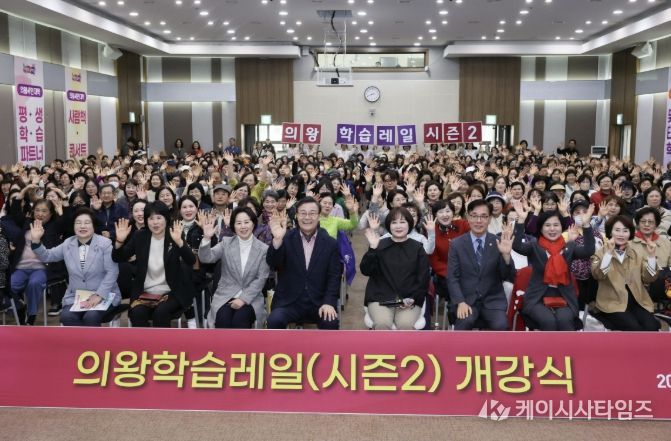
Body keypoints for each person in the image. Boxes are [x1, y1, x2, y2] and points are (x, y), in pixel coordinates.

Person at [512, 201, 595, 330]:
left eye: (556, 225)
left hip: (564, 297)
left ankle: (566, 345)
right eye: (547, 225)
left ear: (561, 228)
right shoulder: (535, 246)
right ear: (541, 228)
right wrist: (521, 221)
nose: (552, 229)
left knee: (564, 321)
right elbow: (517, 246)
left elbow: (589, 250)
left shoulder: (569, 247)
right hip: (538, 298)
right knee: (548, 321)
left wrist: (586, 225)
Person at [30, 207, 120, 326]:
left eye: (87, 223)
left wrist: (98, 295)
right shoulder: (68, 243)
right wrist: (36, 241)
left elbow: (112, 272)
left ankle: (92, 339)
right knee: (67, 317)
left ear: (93, 226)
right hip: (77, 296)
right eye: (78, 223)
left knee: (91, 317)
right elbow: (48, 256)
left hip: (104, 294)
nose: (82, 226)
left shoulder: (105, 244)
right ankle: (79, 339)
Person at [112, 202, 197, 327]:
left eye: (159, 218)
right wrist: (119, 241)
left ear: (166, 219)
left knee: (161, 312)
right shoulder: (140, 236)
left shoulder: (174, 234)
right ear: (146, 221)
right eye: (151, 218)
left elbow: (191, 261)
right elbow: (117, 257)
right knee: (137, 313)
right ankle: (145, 341)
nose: (155, 222)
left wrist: (180, 242)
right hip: (145, 292)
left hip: (170, 292)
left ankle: (161, 341)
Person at [265, 197, 341, 329]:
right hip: (288, 302)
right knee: (274, 320)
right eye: (303, 213)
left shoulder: (330, 243)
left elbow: (334, 276)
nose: (307, 217)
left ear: (319, 216)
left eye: (312, 213)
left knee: (330, 322)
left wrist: (328, 302)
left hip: (318, 302)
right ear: (296, 215)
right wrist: (277, 240)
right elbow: (273, 264)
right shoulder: (286, 237)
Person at [446, 199, 515, 330]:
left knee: (501, 326)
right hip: (466, 300)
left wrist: (506, 256)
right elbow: (452, 277)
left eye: (484, 216)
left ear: (489, 219)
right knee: (464, 322)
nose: (479, 221)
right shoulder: (457, 244)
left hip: (492, 301)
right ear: (468, 217)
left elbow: (507, 276)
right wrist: (460, 302)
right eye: (474, 216)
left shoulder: (498, 242)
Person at [198, 208, 270, 328]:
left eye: (246, 222)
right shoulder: (226, 243)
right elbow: (206, 258)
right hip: (226, 295)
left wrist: (243, 299)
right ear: (234, 226)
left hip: (251, 297)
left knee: (240, 321)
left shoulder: (263, 249)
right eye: (239, 223)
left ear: (253, 224)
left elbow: (261, 279)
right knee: (223, 320)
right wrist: (206, 238)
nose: (243, 226)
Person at [360, 207, 429, 329]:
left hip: (409, 299)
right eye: (394, 222)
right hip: (380, 298)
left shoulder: (418, 248)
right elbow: (366, 270)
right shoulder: (379, 244)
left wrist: (413, 298)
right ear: (389, 225)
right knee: (382, 324)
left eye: (402, 222)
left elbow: (423, 278)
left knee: (405, 325)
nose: (398, 226)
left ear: (409, 224)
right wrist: (372, 249)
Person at [591, 215, 660, 331]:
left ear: (630, 233)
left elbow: (649, 279)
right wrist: (608, 254)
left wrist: (652, 256)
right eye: (617, 230)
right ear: (610, 232)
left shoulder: (636, 253)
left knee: (652, 327)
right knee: (634, 329)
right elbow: (598, 275)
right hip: (612, 303)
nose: (621, 234)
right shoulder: (600, 253)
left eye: (625, 231)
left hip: (637, 301)